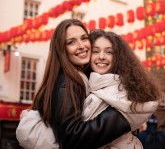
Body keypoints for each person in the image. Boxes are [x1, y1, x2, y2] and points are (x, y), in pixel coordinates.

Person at [16, 19, 130, 149]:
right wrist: (122, 118)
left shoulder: (80, 77)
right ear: (62, 50)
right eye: (71, 42)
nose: (81, 45)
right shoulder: (68, 82)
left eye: (84, 38)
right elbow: (71, 138)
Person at [82, 29, 161, 148]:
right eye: (96, 51)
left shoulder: (129, 90)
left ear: (118, 57)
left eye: (109, 52)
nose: (102, 57)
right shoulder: (82, 85)